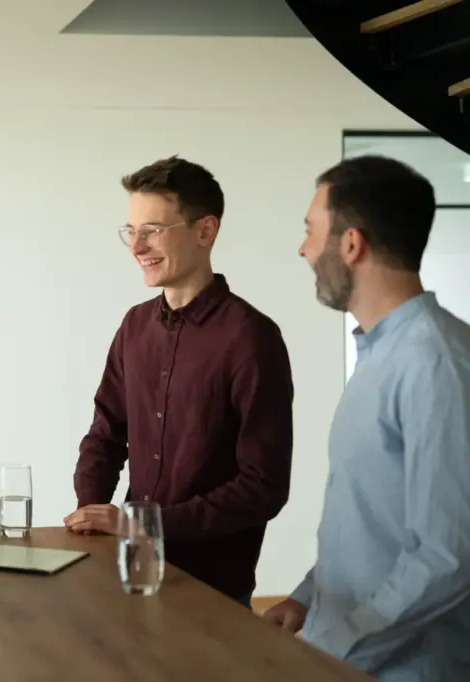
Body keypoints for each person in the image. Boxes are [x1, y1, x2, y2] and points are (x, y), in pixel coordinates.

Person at [265, 155, 470, 680]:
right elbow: (372, 520)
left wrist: (334, 647)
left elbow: (446, 556)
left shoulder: (436, 363)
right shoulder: (381, 355)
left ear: (351, 244)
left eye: (311, 231)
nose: (304, 250)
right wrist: (308, 598)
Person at [64, 156, 294, 606]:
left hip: (212, 591)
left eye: (152, 230)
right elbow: (105, 435)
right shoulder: (133, 327)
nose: (137, 246)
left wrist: (143, 525)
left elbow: (263, 486)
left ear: (205, 231)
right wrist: (92, 514)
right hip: (128, 572)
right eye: (131, 231)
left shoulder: (252, 338)